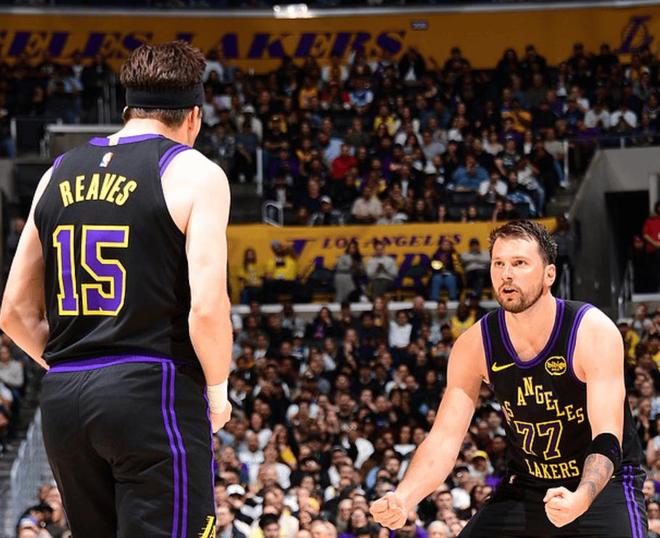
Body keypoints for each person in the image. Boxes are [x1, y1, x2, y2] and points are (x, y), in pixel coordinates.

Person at [0, 42, 233, 537]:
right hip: (152, 388)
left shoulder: (56, 172)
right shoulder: (195, 172)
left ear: (128, 109)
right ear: (193, 116)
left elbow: (13, 312)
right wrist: (217, 395)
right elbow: (207, 309)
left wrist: (78, 365)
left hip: (64, 399)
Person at [370, 220, 647, 537]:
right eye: (498, 263)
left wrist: (582, 497)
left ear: (549, 274)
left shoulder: (591, 330)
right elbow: (444, 439)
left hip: (603, 485)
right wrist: (404, 497)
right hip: (527, 485)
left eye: (519, 263)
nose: (506, 274)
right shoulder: (474, 344)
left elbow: (607, 436)